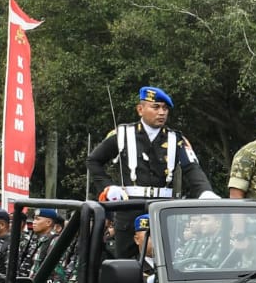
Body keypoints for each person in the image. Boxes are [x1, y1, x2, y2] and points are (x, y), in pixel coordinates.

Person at [87, 86, 218, 257]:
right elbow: (93, 161)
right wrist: (108, 187)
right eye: (155, 107)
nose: (161, 112)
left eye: (165, 108)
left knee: (165, 258)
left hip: (163, 208)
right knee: (125, 263)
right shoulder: (123, 134)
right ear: (140, 109)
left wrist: (205, 192)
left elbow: (192, 168)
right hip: (129, 208)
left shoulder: (176, 139)